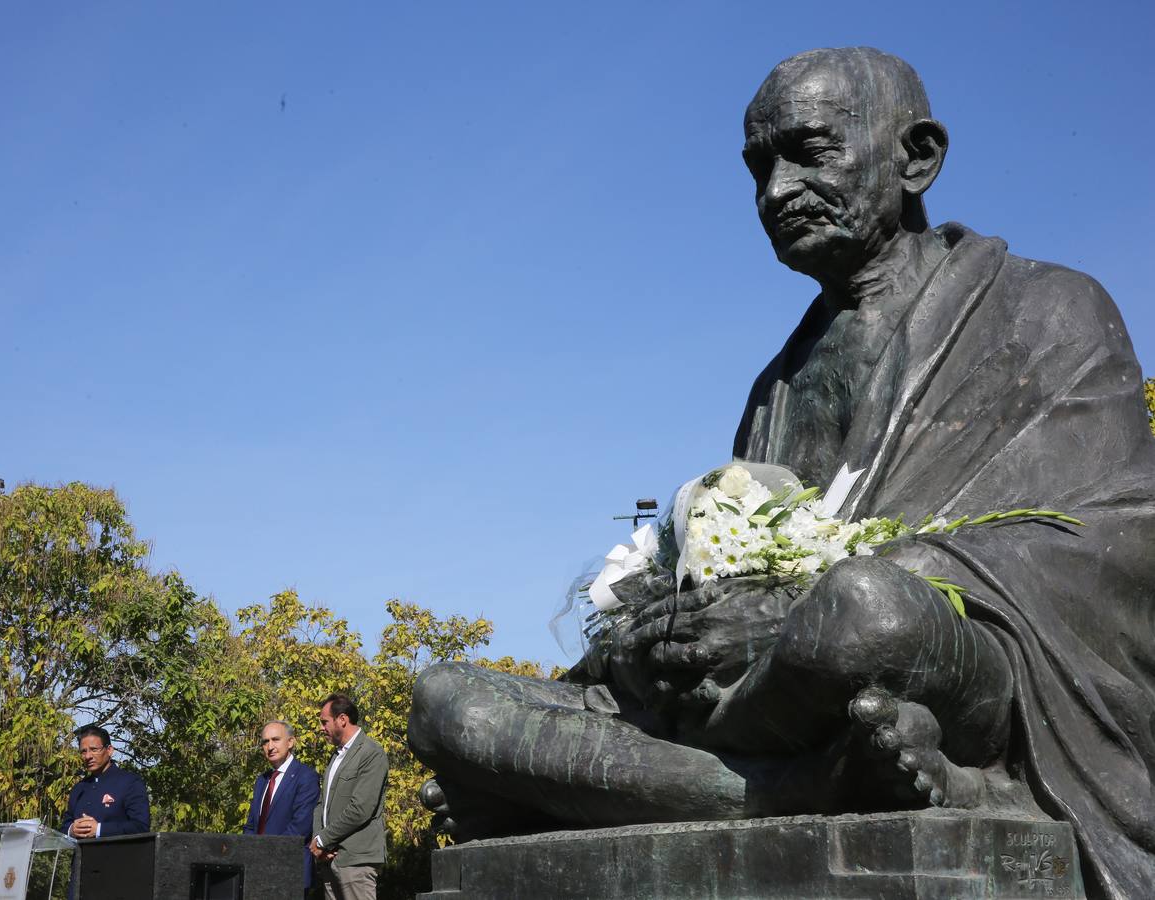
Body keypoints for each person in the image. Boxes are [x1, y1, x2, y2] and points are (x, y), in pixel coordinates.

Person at [408, 47, 1155, 900]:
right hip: (781, 706)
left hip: (923, 659)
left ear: (916, 159)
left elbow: (1122, 544)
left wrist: (804, 606)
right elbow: (729, 571)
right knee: (447, 698)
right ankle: (793, 790)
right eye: (759, 167)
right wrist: (659, 626)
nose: (775, 191)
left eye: (808, 152)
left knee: (863, 610)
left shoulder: (1049, 310)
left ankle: (603, 787)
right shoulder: (780, 383)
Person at [310, 694, 388, 900]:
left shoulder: (371, 753)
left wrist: (323, 839)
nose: (321, 728)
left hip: (356, 862)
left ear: (342, 719)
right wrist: (318, 841)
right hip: (330, 859)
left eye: (324, 722)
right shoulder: (336, 756)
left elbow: (361, 809)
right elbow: (322, 804)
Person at [242, 720, 319, 891]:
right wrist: (250, 853)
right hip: (257, 871)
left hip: (289, 870)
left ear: (290, 742)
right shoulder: (262, 780)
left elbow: (300, 827)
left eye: (275, 739)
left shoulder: (306, 777)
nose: (270, 746)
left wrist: (266, 854)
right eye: (265, 742)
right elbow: (251, 825)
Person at [61, 724, 150, 839]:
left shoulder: (130, 782)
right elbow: (63, 828)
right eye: (83, 751)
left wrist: (99, 829)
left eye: (94, 749)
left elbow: (140, 826)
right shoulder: (79, 789)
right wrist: (71, 830)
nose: (88, 756)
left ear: (109, 750)